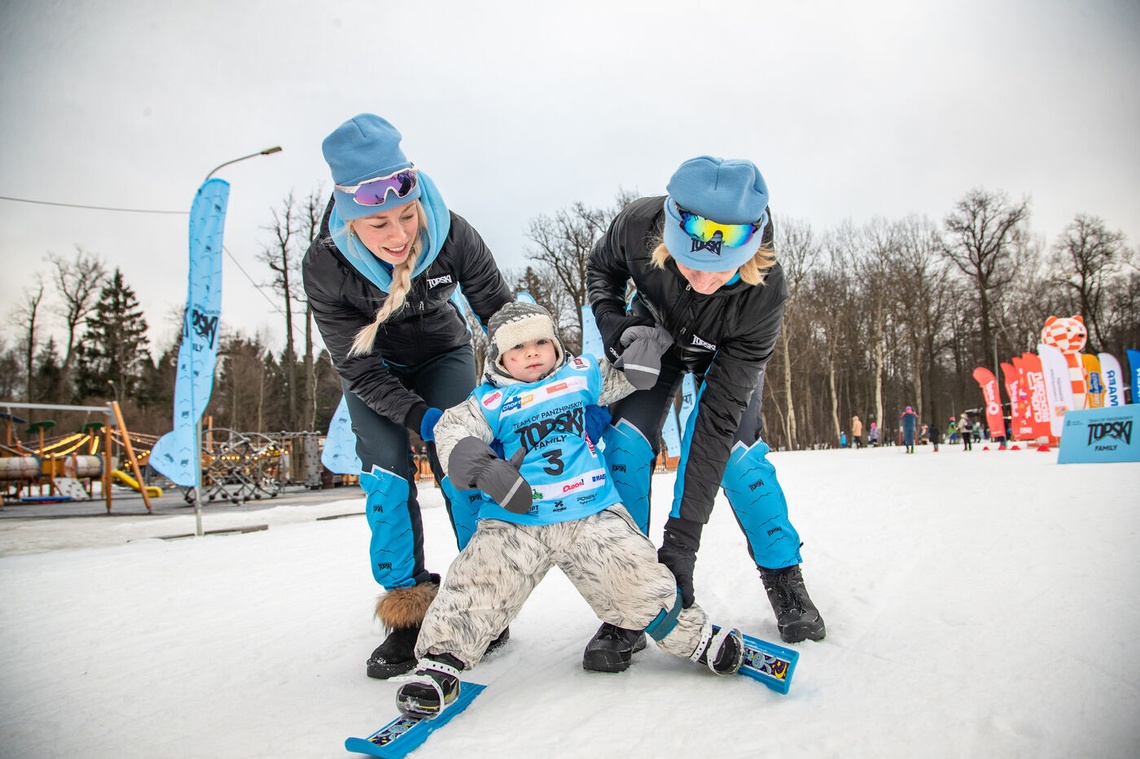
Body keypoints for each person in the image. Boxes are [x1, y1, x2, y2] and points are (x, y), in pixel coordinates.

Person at [395, 301, 745, 715]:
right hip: (517, 520)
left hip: (591, 511)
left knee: (637, 575)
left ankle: (696, 640)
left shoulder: (580, 373)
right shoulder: (488, 401)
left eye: (541, 341)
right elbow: (451, 430)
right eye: (518, 348)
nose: (532, 352)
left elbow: (620, 377)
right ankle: (439, 667)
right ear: (499, 358)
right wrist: (482, 465)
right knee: (479, 580)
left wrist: (643, 352)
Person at [585, 155, 826, 670]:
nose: (702, 278)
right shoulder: (636, 224)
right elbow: (600, 270)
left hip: (727, 354)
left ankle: (784, 574)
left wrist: (682, 544)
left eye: (718, 267)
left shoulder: (765, 294)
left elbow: (714, 427)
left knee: (736, 455)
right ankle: (627, 598)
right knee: (625, 442)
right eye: (689, 262)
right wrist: (615, 328)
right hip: (659, 339)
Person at [302, 114, 514, 679]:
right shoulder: (325, 267)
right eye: (378, 224)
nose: (399, 236)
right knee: (387, 481)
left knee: (464, 469)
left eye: (406, 215)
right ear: (350, 223)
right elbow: (361, 370)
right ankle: (408, 612)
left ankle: (481, 599)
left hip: (443, 352)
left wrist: (544, 377)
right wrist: (425, 420)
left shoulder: (452, 233)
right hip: (376, 370)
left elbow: (501, 313)